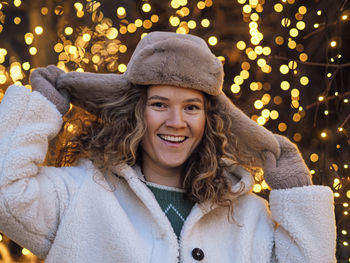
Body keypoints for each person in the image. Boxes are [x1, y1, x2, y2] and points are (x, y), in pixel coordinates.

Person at [0, 31, 336, 263]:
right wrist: (40, 108)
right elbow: (6, 193)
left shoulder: (247, 216)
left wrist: (295, 191)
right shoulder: (80, 194)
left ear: (209, 120)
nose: (176, 121)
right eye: (160, 104)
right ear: (135, 114)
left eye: (191, 107)